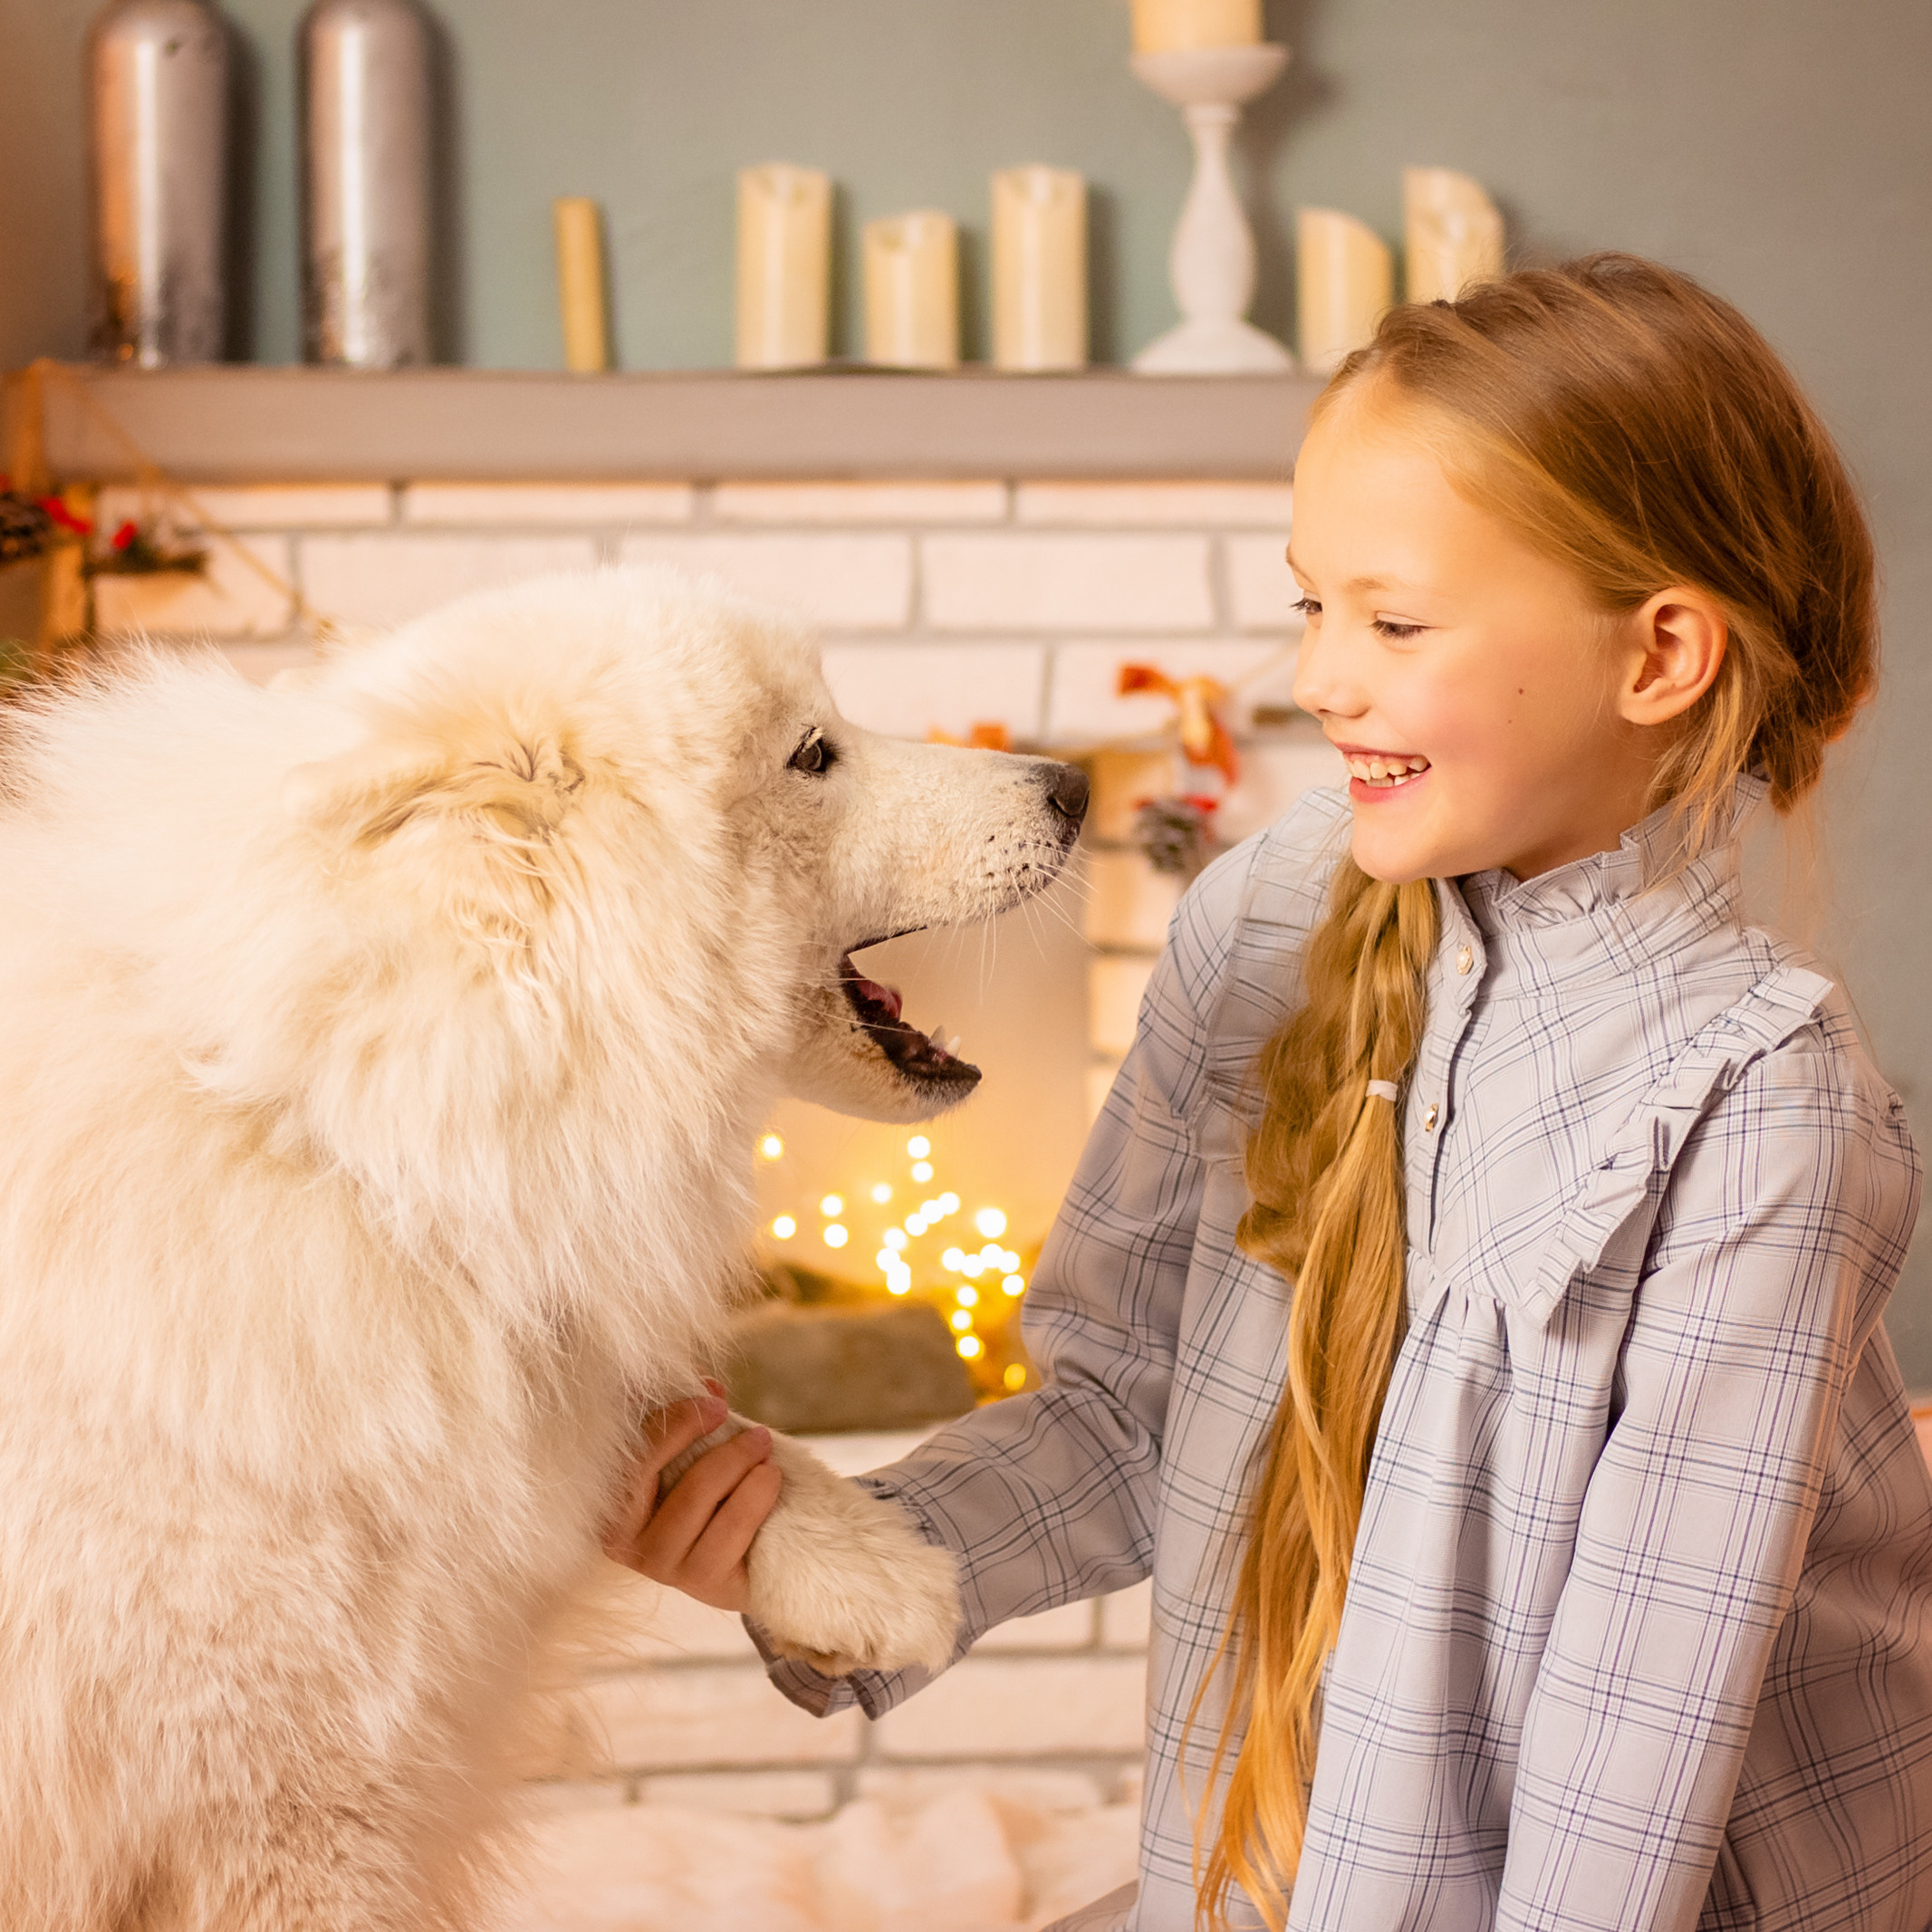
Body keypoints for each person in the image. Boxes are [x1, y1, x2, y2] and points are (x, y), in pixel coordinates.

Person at [605, 255, 1932, 1932]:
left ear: (1658, 651)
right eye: (1310, 603)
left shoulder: (1754, 1108)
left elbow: (1623, 1802)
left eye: (1393, 619)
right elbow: (1133, 1407)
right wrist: (822, 1550)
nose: (1319, 673)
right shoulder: (1270, 916)